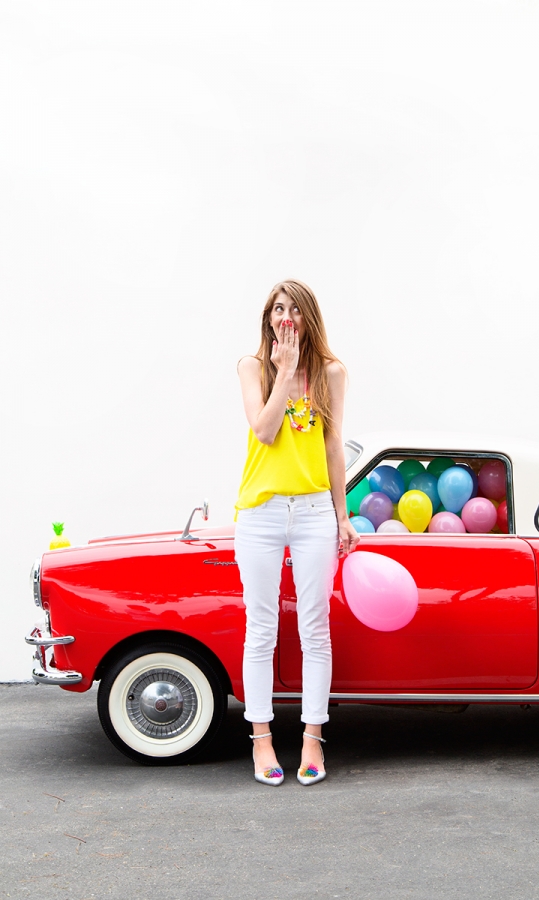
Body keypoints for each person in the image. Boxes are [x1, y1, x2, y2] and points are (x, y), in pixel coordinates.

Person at [234, 279, 360, 786]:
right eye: (277, 310)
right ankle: (261, 741)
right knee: (261, 629)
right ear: (268, 320)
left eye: (294, 311)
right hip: (261, 513)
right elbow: (264, 431)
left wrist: (343, 514)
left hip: (313, 514)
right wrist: (284, 372)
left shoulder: (332, 372)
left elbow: (332, 446)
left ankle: (313, 740)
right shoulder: (253, 368)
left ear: (308, 320)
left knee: (315, 629)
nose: (284, 318)